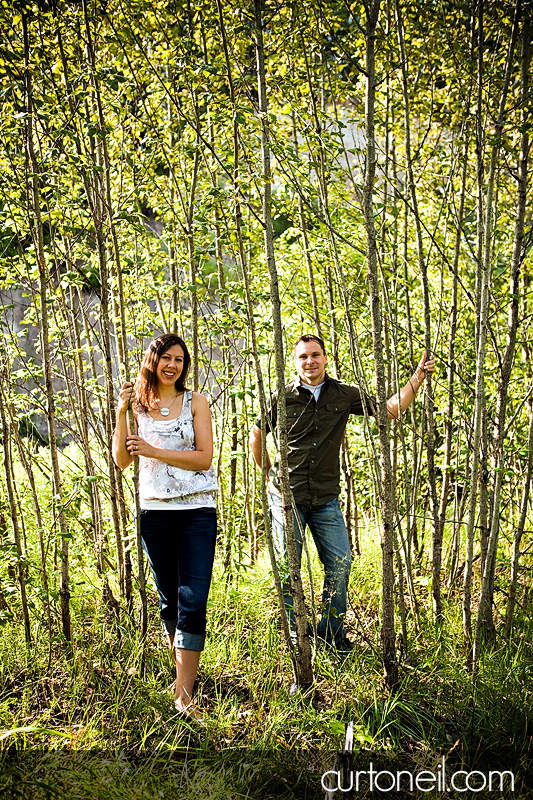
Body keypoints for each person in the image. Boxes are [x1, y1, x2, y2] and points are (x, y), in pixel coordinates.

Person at [250, 334, 436, 651]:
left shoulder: (344, 394)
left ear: (325, 358)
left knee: (340, 564)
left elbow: (389, 411)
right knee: (288, 568)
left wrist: (417, 377)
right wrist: (267, 470)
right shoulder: (282, 397)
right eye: (303, 356)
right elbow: (257, 433)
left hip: (325, 498)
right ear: (295, 361)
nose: (310, 361)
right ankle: (297, 635)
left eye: (315, 355)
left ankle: (332, 632)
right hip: (287, 498)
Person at [112, 333, 217, 716]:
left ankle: (184, 697)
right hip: (154, 513)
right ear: (152, 361)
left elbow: (204, 458)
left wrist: (154, 451)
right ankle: (182, 676)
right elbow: (123, 460)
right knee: (170, 600)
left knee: (193, 598)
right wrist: (122, 412)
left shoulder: (196, 402)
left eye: (179, 359)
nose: (172, 365)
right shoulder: (136, 407)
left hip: (197, 512)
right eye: (166, 358)